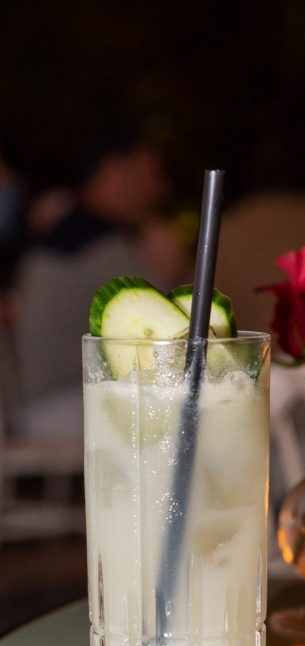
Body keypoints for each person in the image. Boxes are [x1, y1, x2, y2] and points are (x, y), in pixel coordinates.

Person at [12, 126, 188, 441]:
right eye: (150, 175)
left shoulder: (64, 231)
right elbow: (174, 336)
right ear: (114, 172)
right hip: (60, 405)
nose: (160, 189)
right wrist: (173, 273)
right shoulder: (100, 244)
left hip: (36, 405)